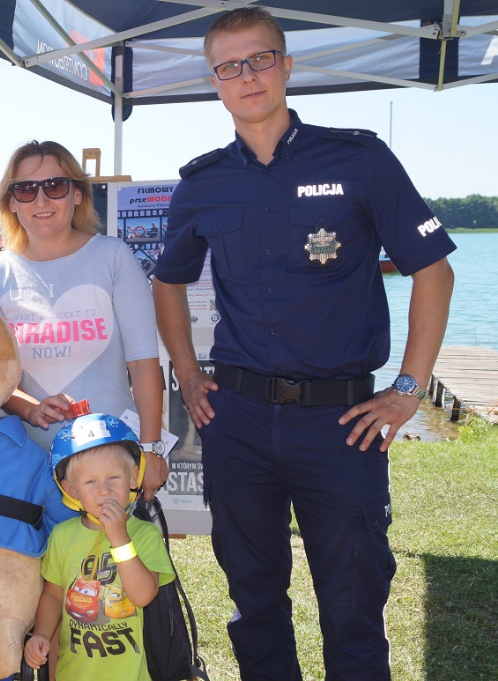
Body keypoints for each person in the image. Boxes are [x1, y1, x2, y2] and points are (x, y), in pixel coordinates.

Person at [152, 7, 456, 680]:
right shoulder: (202, 183)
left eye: (259, 59)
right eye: (229, 66)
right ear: (215, 82)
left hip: (340, 423)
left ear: (287, 66)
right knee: (254, 603)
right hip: (239, 420)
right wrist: (186, 371)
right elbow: (166, 282)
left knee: (352, 606)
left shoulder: (360, 159)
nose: (246, 76)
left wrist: (407, 390)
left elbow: (434, 270)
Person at [0, 140, 169, 500]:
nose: (41, 201)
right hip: (26, 469)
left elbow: (144, 364)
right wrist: (30, 407)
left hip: (110, 469)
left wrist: (151, 449)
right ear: (10, 202)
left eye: (55, 186)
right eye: (25, 189)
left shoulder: (113, 257)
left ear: (78, 195)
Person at [24, 412, 175, 680]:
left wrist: (120, 538)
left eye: (113, 478)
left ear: (133, 478)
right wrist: (41, 634)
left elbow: (143, 596)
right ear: (71, 491)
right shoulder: (62, 536)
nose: (103, 490)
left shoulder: (144, 535)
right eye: (90, 482)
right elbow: (54, 595)